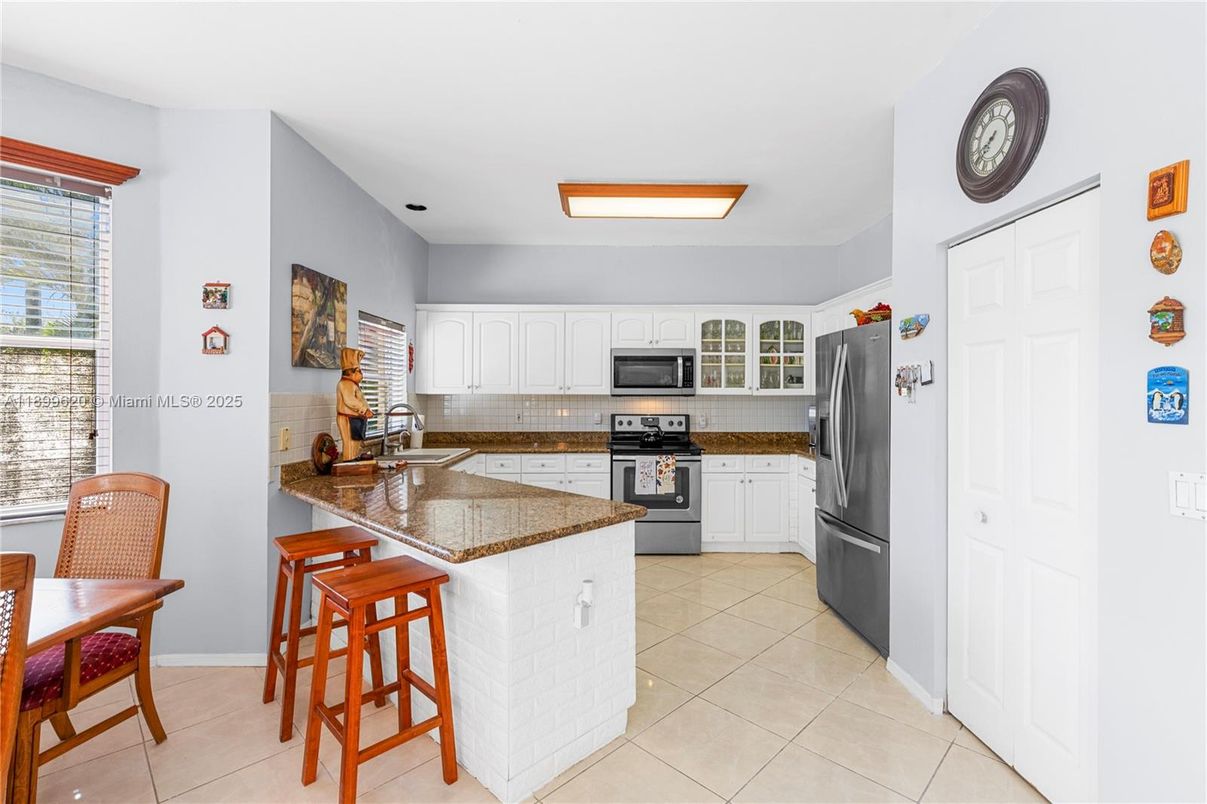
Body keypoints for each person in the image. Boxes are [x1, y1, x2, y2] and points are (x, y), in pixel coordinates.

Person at [336, 347, 373, 461]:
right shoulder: (345, 384)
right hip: (348, 419)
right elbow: (350, 401)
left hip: (355, 419)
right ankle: (349, 463)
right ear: (351, 372)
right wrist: (364, 410)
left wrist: (367, 410)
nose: (361, 374)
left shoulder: (352, 384)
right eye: (359, 371)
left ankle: (352, 461)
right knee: (350, 444)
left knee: (355, 444)